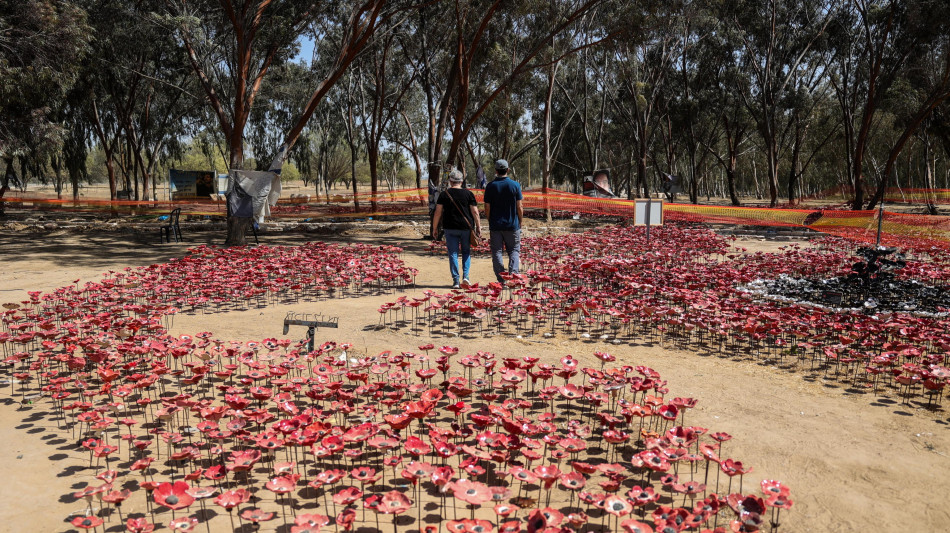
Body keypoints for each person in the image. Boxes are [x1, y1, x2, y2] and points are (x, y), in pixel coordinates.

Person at [431, 169, 481, 289]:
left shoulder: (444, 194)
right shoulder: (468, 194)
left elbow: (437, 213)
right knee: (466, 252)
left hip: (450, 228)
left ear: (450, 181)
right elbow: (475, 212)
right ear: (461, 181)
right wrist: (478, 226)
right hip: (466, 228)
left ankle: (455, 281)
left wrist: (434, 228)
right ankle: (466, 276)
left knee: (453, 253)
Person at [483, 159, 523, 285]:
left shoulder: (490, 186)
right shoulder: (515, 185)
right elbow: (519, 207)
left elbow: (487, 207)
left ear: (496, 171)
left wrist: (490, 220)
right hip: (512, 225)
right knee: (514, 250)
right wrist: (520, 221)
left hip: (495, 226)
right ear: (507, 170)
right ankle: (513, 275)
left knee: (497, 251)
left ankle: (501, 278)